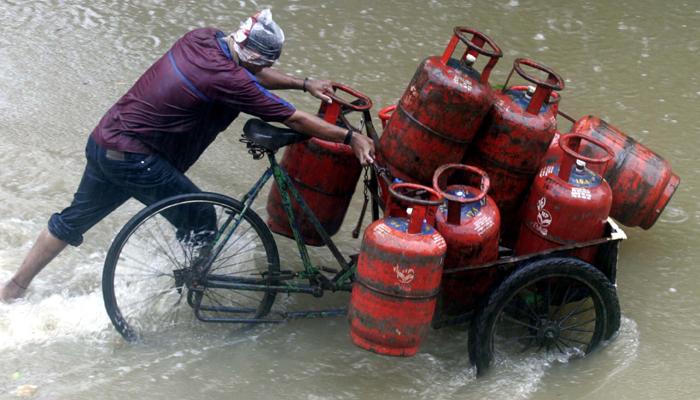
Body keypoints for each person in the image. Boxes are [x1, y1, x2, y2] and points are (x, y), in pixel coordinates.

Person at [0, 9, 375, 302]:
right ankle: (192, 285)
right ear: (253, 58)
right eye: (261, 64)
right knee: (200, 214)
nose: (261, 70)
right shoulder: (231, 80)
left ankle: (14, 288)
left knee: (73, 219)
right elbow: (291, 115)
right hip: (135, 157)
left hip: (105, 140)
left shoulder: (204, 38)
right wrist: (350, 137)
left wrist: (304, 83)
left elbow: (255, 73)